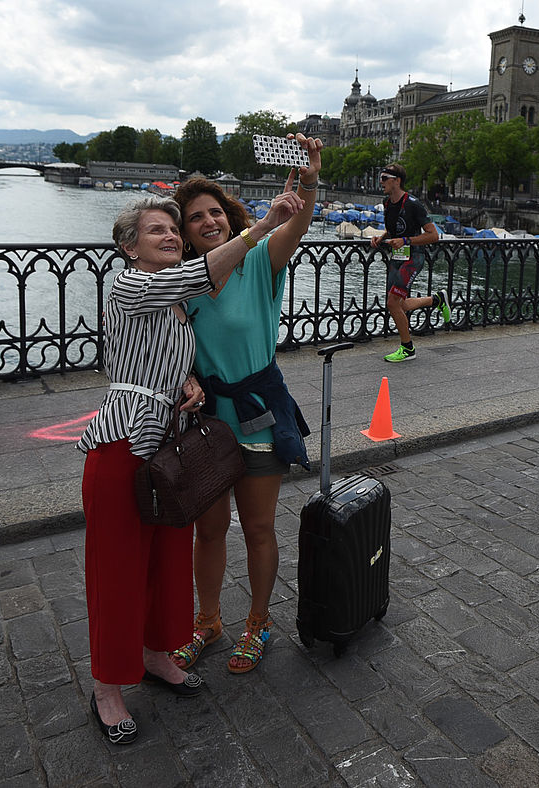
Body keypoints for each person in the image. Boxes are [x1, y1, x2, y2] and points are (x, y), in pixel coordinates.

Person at [78, 183, 305, 745]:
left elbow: (164, 350)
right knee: (118, 570)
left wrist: (187, 380)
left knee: (168, 559)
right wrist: (259, 227)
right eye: (158, 229)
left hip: (172, 443)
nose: (171, 235)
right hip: (126, 443)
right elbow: (198, 275)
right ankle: (108, 687)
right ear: (130, 246)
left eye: (172, 228)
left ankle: (157, 654)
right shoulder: (135, 285)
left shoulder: (171, 302)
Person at [168, 134, 321, 676]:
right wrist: (185, 375)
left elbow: (297, 226)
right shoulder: (182, 280)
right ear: (183, 233)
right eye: (195, 218)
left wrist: (307, 177)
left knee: (257, 528)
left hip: (256, 412)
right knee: (208, 529)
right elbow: (170, 344)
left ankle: (258, 622)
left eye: (214, 213)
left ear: (229, 217)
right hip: (207, 422)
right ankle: (207, 621)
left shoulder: (258, 261)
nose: (208, 222)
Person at [369, 162, 450, 362]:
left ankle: (408, 348)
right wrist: (382, 237)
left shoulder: (413, 204)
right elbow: (395, 229)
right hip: (397, 257)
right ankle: (437, 300)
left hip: (413, 258)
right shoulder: (387, 203)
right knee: (401, 304)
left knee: (392, 302)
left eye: (384, 178)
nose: (381, 182)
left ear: (397, 181)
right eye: (381, 178)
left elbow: (433, 235)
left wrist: (405, 240)